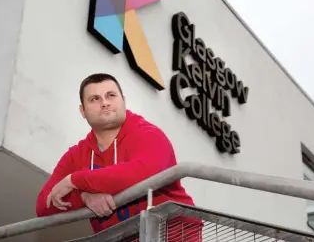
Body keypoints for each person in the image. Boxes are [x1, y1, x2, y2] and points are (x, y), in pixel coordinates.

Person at [36, 73, 202, 240]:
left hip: (173, 236)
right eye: (94, 99)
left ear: (123, 100)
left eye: (111, 95)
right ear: (83, 111)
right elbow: (44, 205)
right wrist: (84, 196)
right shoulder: (77, 155)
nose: (104, 103)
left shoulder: (148, 134)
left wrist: (76, 181)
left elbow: (143, 173)